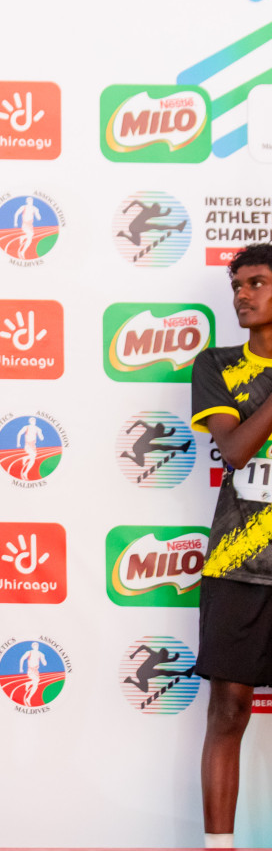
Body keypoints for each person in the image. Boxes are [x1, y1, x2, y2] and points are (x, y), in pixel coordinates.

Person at [190, 242, 272, 849]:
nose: (242, 294)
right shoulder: (216, 363)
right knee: (229, 710)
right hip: (238, 563)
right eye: (238, 285)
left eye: (257, 283)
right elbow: (238, 449)